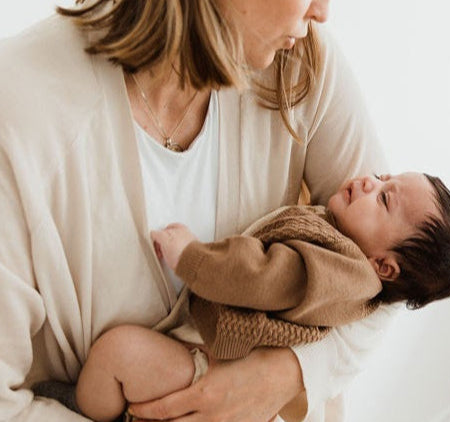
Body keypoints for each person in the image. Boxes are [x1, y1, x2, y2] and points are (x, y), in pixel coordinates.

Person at [0, 0, 419, 421]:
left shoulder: (303, 68)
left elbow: (393, 273)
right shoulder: (21, 110)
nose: (323, 12)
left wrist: (287, 372)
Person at [36, 171, 450, 422]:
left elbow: (262, 277)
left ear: (384, 267)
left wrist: (190, 256)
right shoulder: (341, 249)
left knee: (118, 352)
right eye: (383, 177)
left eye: (383, 198)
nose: (368, 181)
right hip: (218, 367)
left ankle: (87, 408)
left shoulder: (340, 273)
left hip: (214, 364)